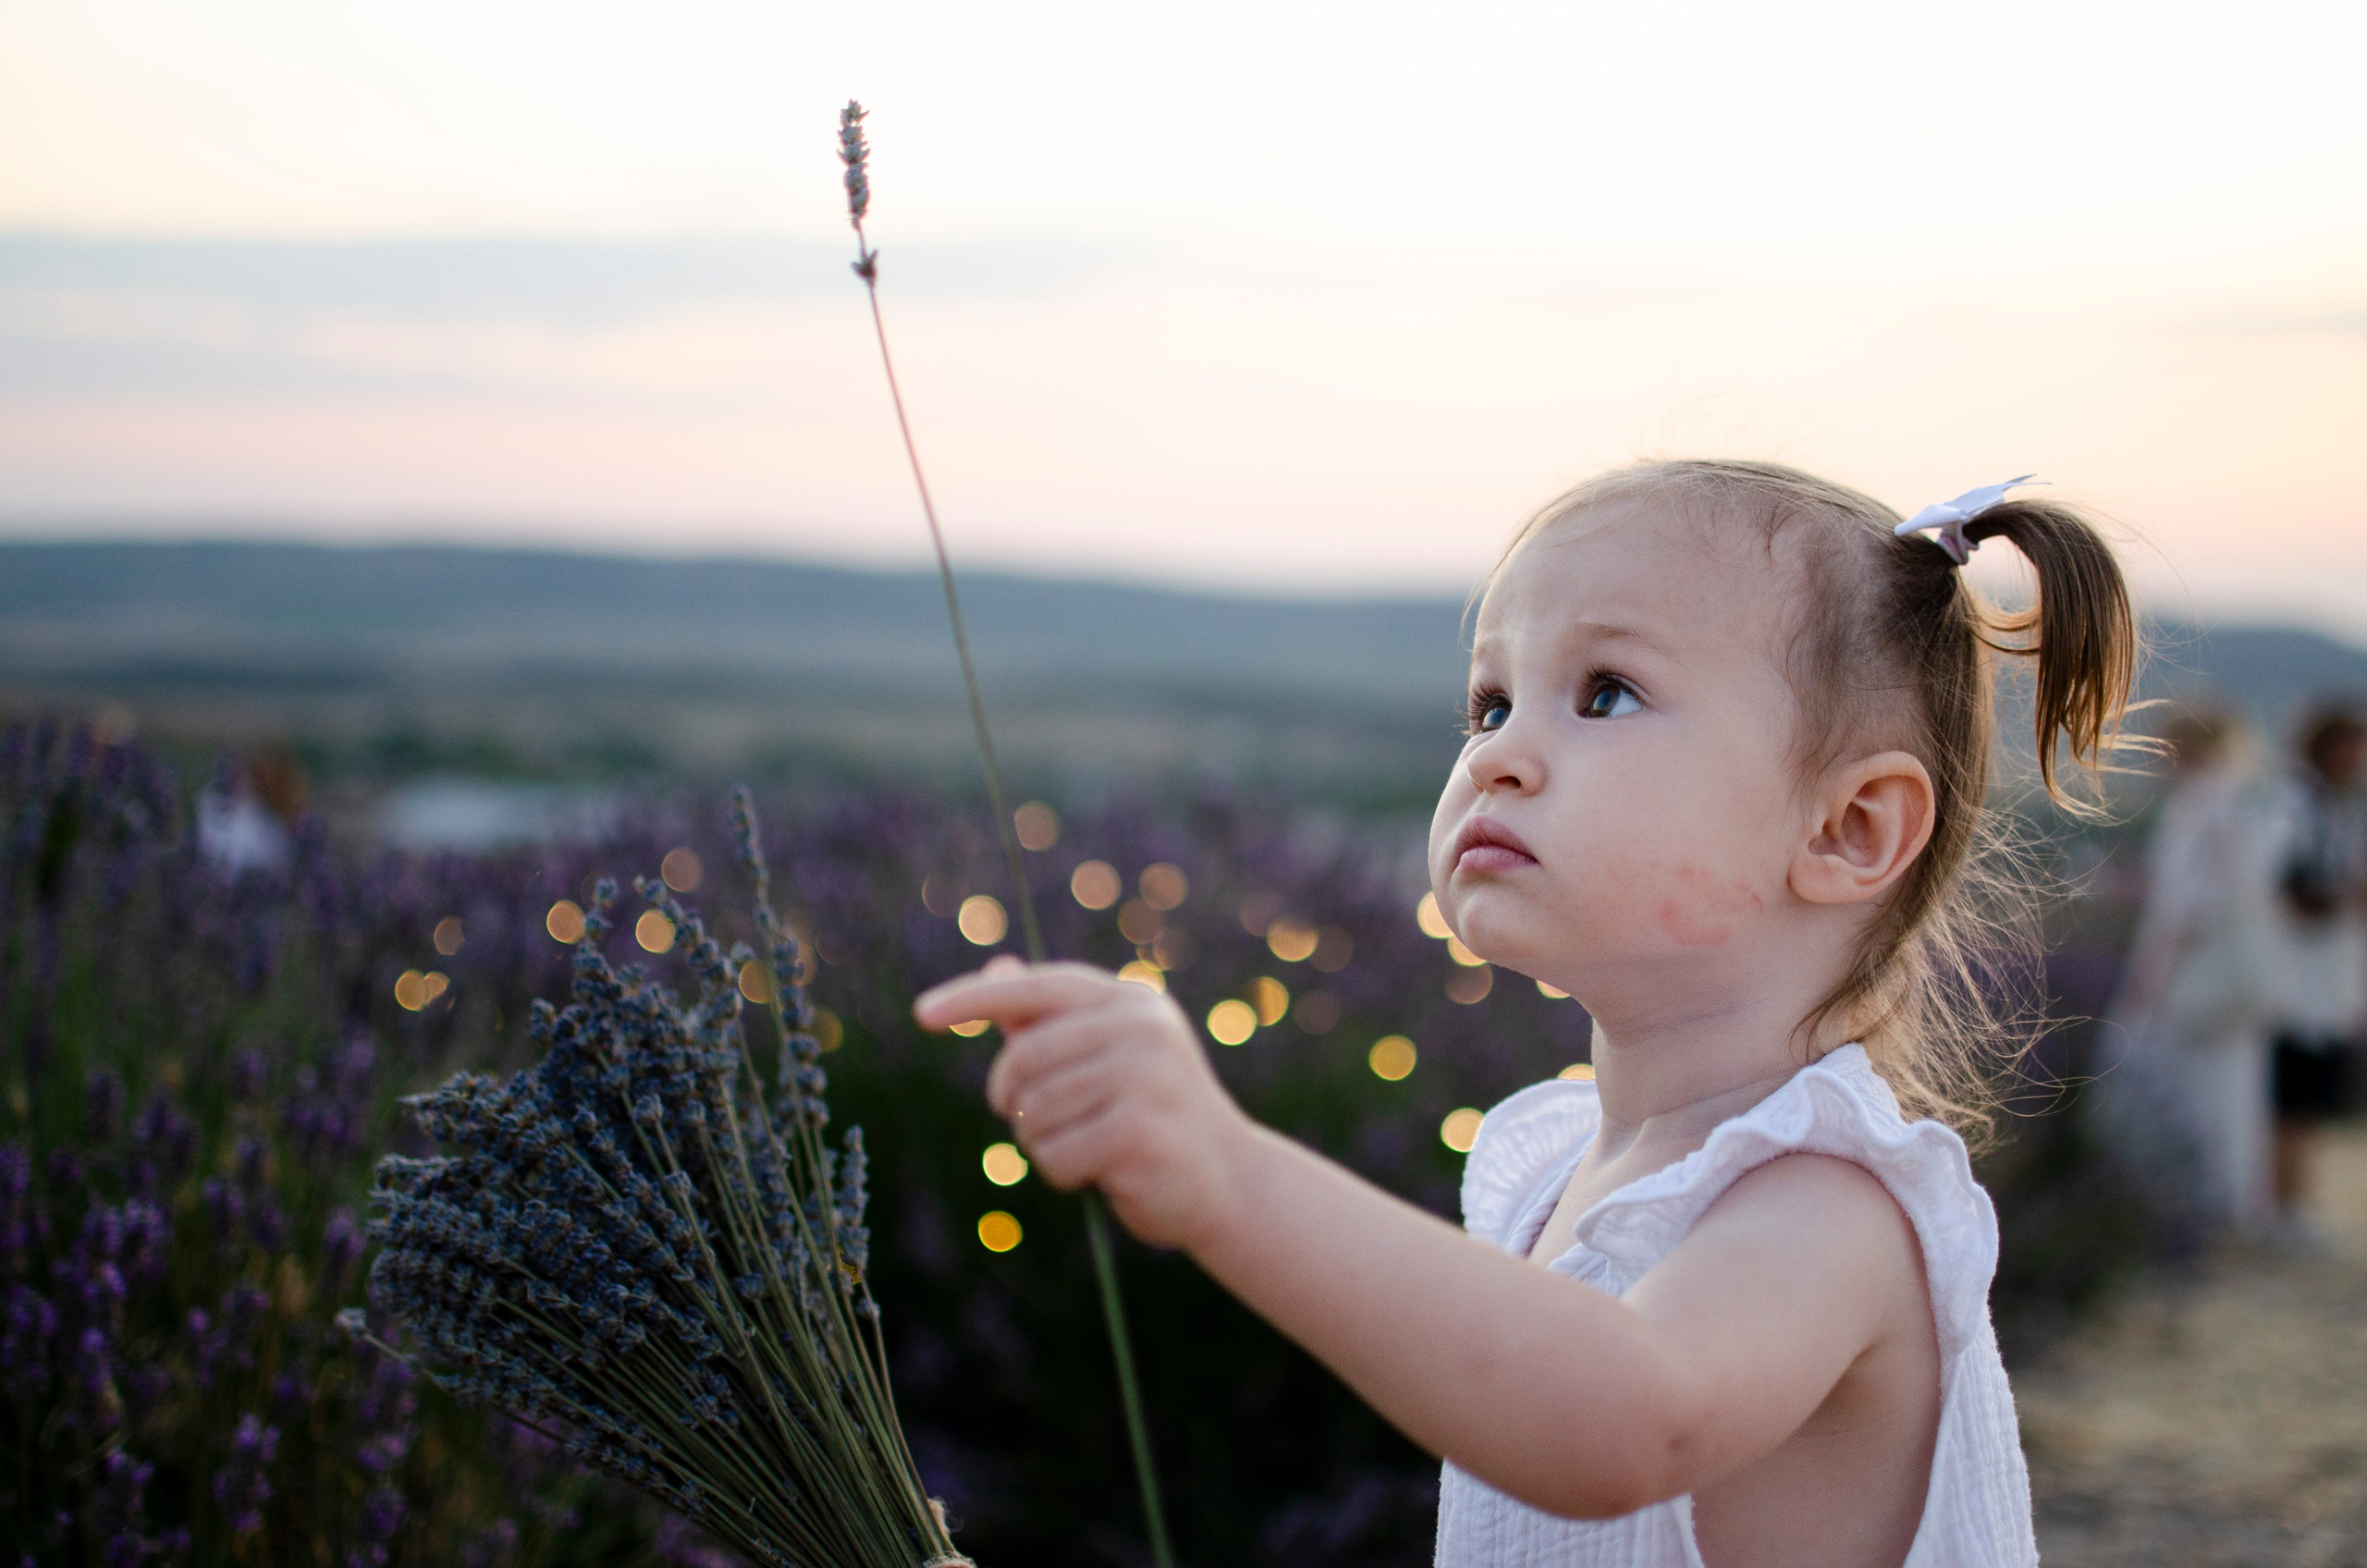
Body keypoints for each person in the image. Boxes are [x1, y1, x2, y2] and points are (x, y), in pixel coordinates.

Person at [919, 461, 2136, 1567]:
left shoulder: (1830, 1202)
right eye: (1491, 704)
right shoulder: (1562, 1162)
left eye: (1604, 695)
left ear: (1847, 830)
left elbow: (1626, 1427)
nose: (1499, 757)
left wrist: (1228, 1173)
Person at [2094, 702, 2279, 1236]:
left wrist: (2156, 970)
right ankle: (2222, 1200)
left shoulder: (2205, 806)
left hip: (2193, 972)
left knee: (2182, 1085)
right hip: (2215, 970)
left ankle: (2195, 1200)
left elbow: (2194, 904)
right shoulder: (2236, 801)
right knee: (2226, 1087)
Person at [2263, 703, 2367, 1250]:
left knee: (2303, 1099)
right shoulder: (2298, 805)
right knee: (2290, 1101)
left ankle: (2292, 1203)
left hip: (2321, 985)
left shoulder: (2332, 807)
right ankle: (2283, 1208)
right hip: (2294, 984)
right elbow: (2292, 892)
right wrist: (2350, 895)